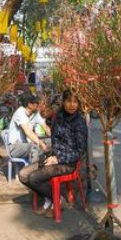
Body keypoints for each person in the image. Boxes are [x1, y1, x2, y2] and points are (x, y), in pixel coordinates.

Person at [19, 89, 87, 218]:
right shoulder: (58, 117)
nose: (72, 105)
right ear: (63, 102)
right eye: (69, 101)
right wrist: (51, 155)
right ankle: (51, 198)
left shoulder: (80, 122)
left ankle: (57, 200)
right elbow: (54, 139)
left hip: (68, 162)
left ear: (79, 104)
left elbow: (80, 151)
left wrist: (58, 158)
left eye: (75, 102)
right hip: (54, 157)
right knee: (23, 175)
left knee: (34, 178)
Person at [7, 92, 48, 164]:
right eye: (37, 103)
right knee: (34, 147)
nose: (39, 105)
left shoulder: (34, 113)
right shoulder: (20, 112)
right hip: (15, 147)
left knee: (49, 142)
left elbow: (46, 128)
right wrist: (40, 143)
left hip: (26, 145)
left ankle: (45, 167)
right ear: (30, 105)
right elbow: (28, 132)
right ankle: (34, 171)